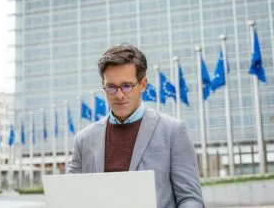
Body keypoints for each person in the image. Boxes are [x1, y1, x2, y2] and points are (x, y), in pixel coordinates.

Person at [68, 43, 204, 208]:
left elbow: (190, 199)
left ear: (143, 84)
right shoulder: (84, 139)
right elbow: (70, 197)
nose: (119, 95)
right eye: (111, 87)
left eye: (126, 86)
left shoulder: (173, 131)